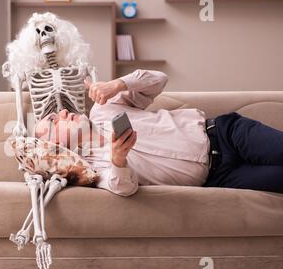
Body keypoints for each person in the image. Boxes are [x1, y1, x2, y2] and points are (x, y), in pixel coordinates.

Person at [34, 69, 283, 196]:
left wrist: (118, 84)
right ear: (56, 149)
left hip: (226, 134)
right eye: (54, 122)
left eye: (59, 113)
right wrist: (118, 159)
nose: (63, 113)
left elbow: (159, 80)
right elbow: (123, 188)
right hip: (220, 178)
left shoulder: (104, 108)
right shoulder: (96, 170)